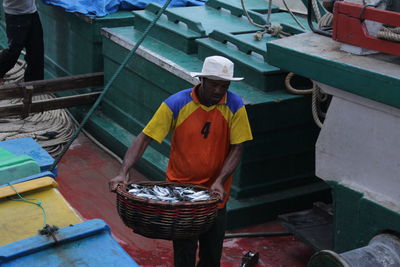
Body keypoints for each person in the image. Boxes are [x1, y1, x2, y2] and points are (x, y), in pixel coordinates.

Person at [109, 55, 253, 267]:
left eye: (224, 86)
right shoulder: (176, 103)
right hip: (180, 195)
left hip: (215, 195)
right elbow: (144, 138)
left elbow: (238, 147)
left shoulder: (235, 105)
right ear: (201, 81)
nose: (218, 91)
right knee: (184, 252)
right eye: (214, 84)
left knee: (212, 254)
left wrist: (220, 181)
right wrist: (123, 172)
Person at [0, 0, 44, 84]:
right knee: (14, 51)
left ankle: (33, 86)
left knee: (36, 52)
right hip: (15, 16)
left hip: (32, 13)